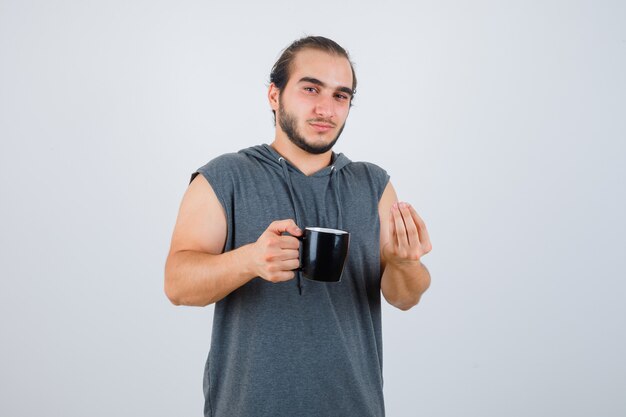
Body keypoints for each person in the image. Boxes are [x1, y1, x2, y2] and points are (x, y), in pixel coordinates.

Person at [164, 36, 432, 417]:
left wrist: (405, 263)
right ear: (274, 96)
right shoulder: (224, 177)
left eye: (341, 96)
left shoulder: (373, 184)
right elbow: (177, 284)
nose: (326, 108)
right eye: (311, 89)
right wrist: (250, 261)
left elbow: (405, 297)